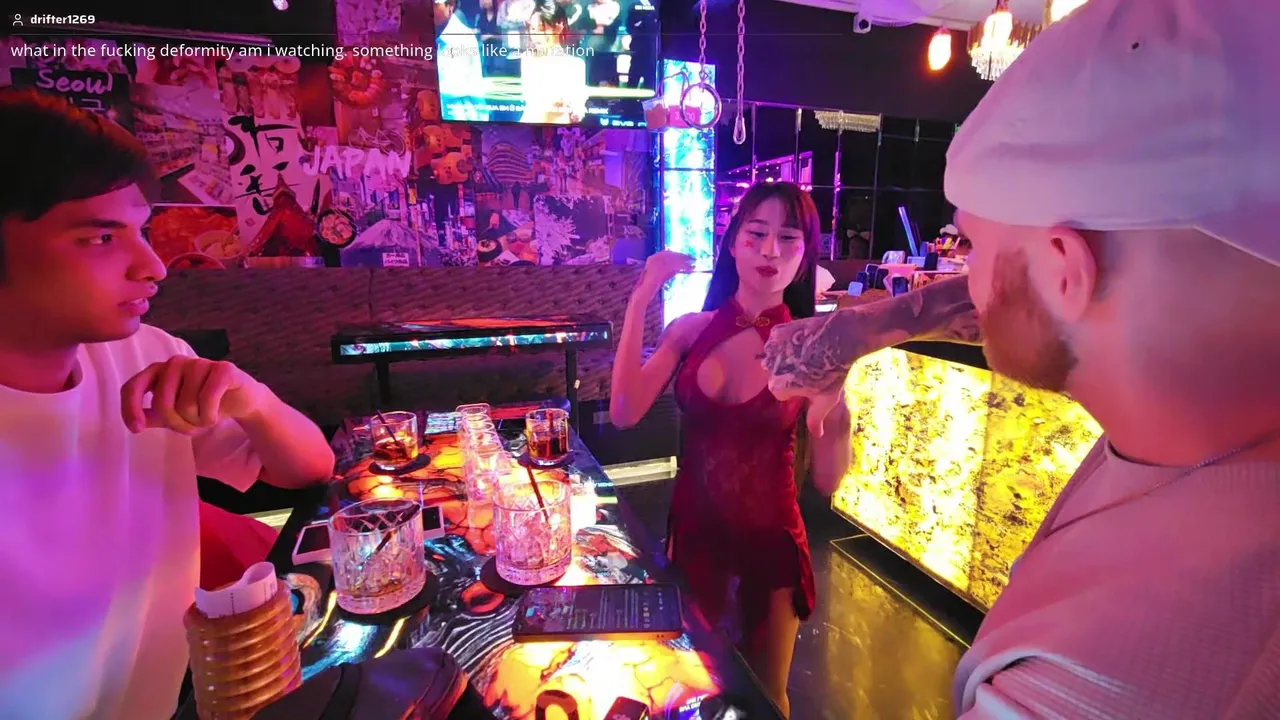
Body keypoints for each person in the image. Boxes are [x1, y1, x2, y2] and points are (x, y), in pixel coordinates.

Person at [760, 1, 1280, 717]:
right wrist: (866, 328)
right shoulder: (1196, 433)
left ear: (1065, 270)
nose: (964, 275)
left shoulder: (1082, 682)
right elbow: (1010, 301)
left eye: (973, 248)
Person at [0, 89, 335, 719]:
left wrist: (252, 401)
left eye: (142, 231)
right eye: (100, 237)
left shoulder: (143, 357)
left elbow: (310, 469)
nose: (153, 266)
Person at [611, 182, 851, 717]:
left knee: (766, 697)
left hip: (771, 541)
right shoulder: (690, 331)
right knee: (691, 687)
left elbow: (829, 480)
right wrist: (641, 297)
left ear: (805, 256)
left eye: (788, 238)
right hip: (695, 535)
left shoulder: (811, 347)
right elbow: (624, 411)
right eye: (756, 234)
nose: (770, 251)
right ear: (733, 243)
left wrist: (837, 411)